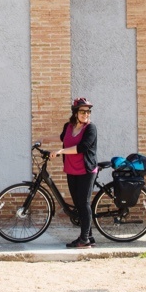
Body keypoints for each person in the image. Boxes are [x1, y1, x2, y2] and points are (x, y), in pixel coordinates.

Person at [53, 97, 98, 249]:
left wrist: (61, 151)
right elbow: (62, 138)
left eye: (88, 111)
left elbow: (82, 147)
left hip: (86, 170)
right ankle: (88, 237)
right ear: (75, 113)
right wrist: (41, 139)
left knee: (84, 203)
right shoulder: (68, 126)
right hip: (71, 170)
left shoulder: (91, 128)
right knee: (78, 205)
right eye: (83, 111)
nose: (86, 114)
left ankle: (84, 240)